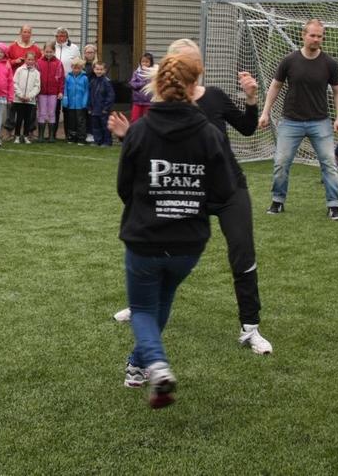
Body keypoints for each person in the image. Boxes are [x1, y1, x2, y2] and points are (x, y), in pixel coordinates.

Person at [109, 38, 272, 356]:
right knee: (155, 247)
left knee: (242, 254)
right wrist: (129, 137)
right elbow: (151, 148)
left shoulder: (214, 97)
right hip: (183, 189)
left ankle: (250, 328)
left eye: (190, 64)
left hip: (227, 189)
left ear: (199, 70)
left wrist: (252, 100)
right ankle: (141, 306)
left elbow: (248, 128)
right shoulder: (162, 103)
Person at [116, 52, 233, 409]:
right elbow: (224, 190)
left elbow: (124, 187)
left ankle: (156, 364)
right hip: (188, 242)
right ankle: (139, 365)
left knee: (143, 307)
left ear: (159, 86)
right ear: (195, 86)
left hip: (146, 239)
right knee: (161, 301)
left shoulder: (139, 130)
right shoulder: (209, 133)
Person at [258, 19, 338, 221]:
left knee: (329, 163)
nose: (316, 39)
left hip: (320, 122)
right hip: (290, 121)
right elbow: (275, 87)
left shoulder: (329, 63)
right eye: (312, 35)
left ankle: (334, 207)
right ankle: (277, 201)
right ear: (303, 35)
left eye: (320, 36)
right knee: (281, 162)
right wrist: (265, 112)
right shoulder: (289, 60)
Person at [5, 25, 43, 134]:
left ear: (31, 34)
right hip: (16, 81)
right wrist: (15, 61)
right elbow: (6, 60)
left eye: (28, 32)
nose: (26, 34)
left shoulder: (35, 48)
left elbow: (39, 62)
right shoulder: (13, 46)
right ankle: (9, 131)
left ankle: (30, 131)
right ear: (20, 33)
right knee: (13, 108)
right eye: (24, 32)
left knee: (30, 109)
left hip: (30, 82)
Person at [53, 27, 80, 137]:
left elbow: (78, 63)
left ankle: (68, 134)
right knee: (55, 109)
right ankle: (52, 134)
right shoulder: (52, 47)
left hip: (69, 82)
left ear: (67, 37)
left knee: (67, 109)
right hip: (55, 83)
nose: (61, 37)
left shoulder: (74, 48)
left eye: (63, 35)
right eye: (59, 35)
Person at [36, 41, 65, 143]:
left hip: (53, 93)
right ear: (43, 51)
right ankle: (40, 136)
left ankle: (52, 136)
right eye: (46, 51)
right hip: (41, 92)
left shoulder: (58, 63)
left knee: (52, 113)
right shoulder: (38, 63)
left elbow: (61, 79)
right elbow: (36, 78)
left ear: (54, 51)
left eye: (51, 52)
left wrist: (60, 91)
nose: (48, 54)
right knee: (42, 113)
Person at [12, 51, 41, 144]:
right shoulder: (19, 70)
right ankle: (16, 136)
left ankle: (25, 136)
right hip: (19, 100)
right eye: (28, 59)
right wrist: (20, 95)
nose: (30, 61)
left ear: (35, 60)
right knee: (19, 118)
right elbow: (14, 83)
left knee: (28, 119)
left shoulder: (36, 72)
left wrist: (29, 96)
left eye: (32, 59)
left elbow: (37, 86)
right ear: (25, 59)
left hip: (30, 100)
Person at [62, 58, 89, 144]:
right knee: (71, 121)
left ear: (82, 68)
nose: (76, 70)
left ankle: (81, 138)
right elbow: (65, 89)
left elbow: (86, 91)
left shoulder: (85, 78)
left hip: (80, 105)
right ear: (71, 67)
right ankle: (71, 138)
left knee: (81, 122)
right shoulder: (68, 77)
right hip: (71, 105)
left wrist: (84, 102)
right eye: (74, 68)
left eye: (79, 68)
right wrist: (65, 99)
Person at [89, 61, 115, 147]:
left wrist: (106, 108)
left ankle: (107, 142)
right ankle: (98, 141)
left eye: (101, 69)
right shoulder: (93, 81)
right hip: (94, 109)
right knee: (95, 126)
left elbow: (111, 96)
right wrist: (89, 107)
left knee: (105, 125)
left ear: (104, 70)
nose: (99, 71)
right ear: (94, 70)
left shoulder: (107, 82)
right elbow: (90, 95)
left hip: (103, 109)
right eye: (97, 69)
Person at [129, 52, 155, 122]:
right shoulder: (136, 73)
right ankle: (135, 132)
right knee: (135, 119)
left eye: (147, 62)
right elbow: (132, 84)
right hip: (137, 101)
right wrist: (143, 84)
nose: (144, 63)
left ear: (151, 63)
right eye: (143, 61)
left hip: (148, 102)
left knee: (147, 120)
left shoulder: (154, 73)